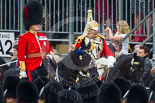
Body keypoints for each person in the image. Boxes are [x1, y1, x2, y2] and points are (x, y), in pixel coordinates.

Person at [17, 1, 54, 82]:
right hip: (32, 67)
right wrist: (23, 70)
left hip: (45, 66)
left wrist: (51, 54)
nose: (39, 25)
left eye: (39, 23)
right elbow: (21, 56)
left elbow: (49, 49)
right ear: (30, 23)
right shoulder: (24, 37)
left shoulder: (43, 36)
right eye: (36, 23)